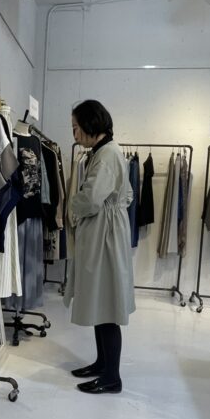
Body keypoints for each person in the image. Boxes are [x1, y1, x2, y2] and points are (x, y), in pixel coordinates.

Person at [64, 100, 135, 394]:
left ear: (90, 125)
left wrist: (72, 204)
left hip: (105, 237)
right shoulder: (105, 152)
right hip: (105, 232)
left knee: (106, 306)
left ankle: (112, 377)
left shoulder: (106, 155)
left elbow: (91, 199)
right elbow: (126, 195)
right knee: (100, 301)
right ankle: (103, 364)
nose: (74, 134)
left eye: (76, 127)